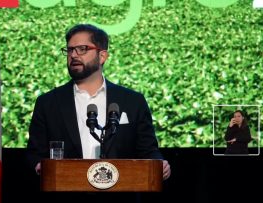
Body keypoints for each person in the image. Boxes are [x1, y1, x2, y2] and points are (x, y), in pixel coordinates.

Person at [26, 24, 171, 181]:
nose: (74, 55)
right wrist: (39, 165)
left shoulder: (132, 101)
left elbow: (148, 150)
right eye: (70, 50)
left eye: (82, 49)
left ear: (102, 56)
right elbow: (35, 154)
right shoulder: (48, 103)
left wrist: (160, 164)